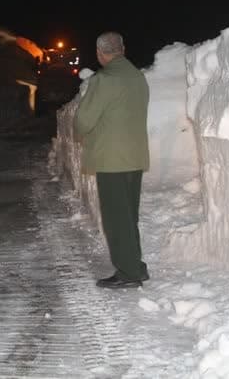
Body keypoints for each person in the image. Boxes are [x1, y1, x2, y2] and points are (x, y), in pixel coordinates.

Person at [73, 32, 150, 289]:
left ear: (99, 53)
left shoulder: (104, 80)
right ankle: (135, 265)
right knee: (129, 215)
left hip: (111, 159)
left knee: (117, 218)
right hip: (135, 156)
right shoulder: (137, 77)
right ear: (123, 49)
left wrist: (79, 133)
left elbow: (84, 120)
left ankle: (128, 272)